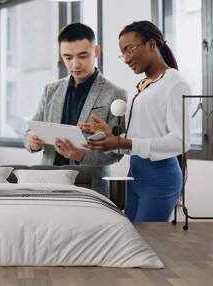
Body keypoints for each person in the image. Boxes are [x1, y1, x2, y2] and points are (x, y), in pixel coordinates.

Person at [82, 21, 191, 222]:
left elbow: (181, 141)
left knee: (146, 241)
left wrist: (123, 143)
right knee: (132, 237)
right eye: (122, 53)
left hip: (161, 176)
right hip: (136, 172)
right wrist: (111, 136)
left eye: (129, 49)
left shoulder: (175, 83)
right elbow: (138, 139)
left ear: (151, 44)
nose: (125, 58)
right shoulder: (142, 86)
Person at [24, 22, 127, 197]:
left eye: (82, 55)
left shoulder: (115, 93)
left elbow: (118, 151)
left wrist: (80, 155)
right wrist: (31, 141)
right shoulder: (51, 90)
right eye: (68, 57)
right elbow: (30, 131)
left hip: (90, 186)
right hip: (49, 181)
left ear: (96, 52)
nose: (75, 64)